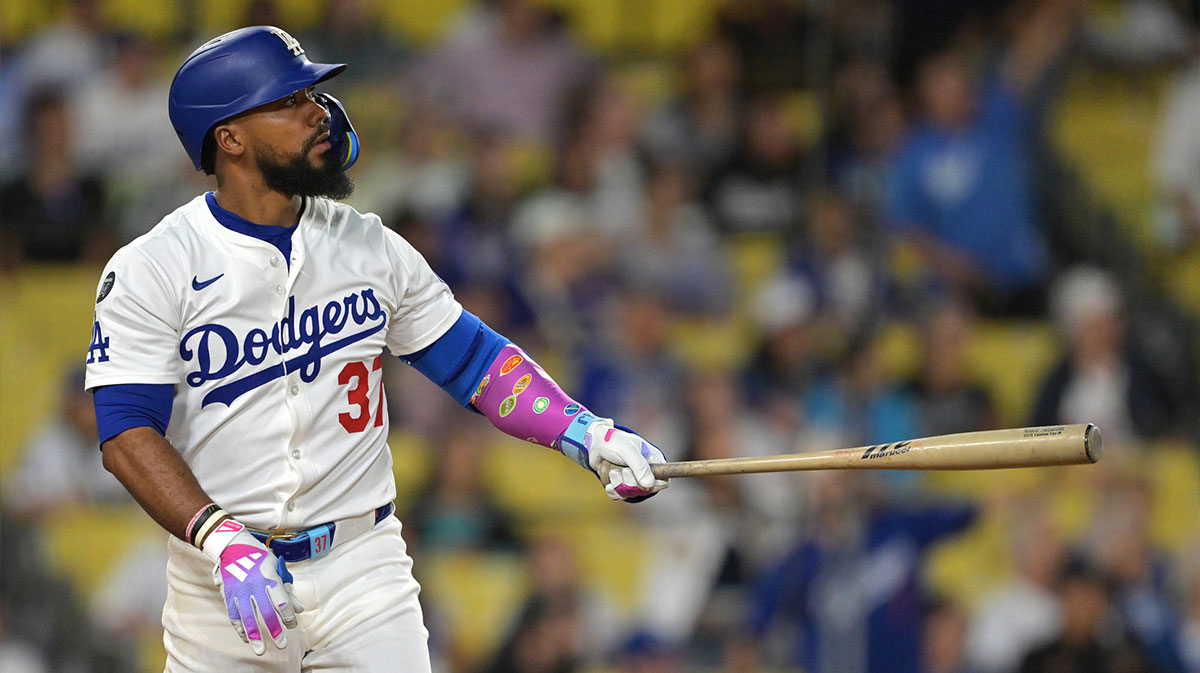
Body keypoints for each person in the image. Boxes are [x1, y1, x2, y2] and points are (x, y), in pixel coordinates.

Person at [84, 26, 667, 672]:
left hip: (361, 567)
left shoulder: (369, 245)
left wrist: (584, 432)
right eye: (290, 100)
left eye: (312, 94)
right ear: (230, 138)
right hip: (221, 578)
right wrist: (217, 535)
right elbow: (125, 430)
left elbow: (473, 361)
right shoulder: (153, 267)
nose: (318, 113)